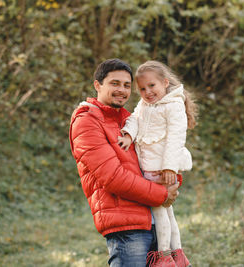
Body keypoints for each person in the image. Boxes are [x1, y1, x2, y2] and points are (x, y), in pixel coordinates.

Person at [69, 58, 180, 267]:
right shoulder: (86, 121)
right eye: (115, 83)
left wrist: (172, 178)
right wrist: (162, 194)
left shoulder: (130, 120)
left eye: (127, 85)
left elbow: (156, 154)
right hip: (126, 229)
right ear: (97, 85)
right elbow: (114, 178)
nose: (122, 90)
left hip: (156, 221)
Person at [118, 60, 197, 267]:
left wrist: (170, 167)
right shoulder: (145, 105)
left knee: (160, 211)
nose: (148, 92)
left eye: (152, 86)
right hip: (149, 166)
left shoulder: (173, 105)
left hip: (163, 169)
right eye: (142, 89)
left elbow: (176, 137)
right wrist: (128, 134)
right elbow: (134, 119)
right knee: (167, 212)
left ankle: (163, 256)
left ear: (165, 82)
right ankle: (178, 254)